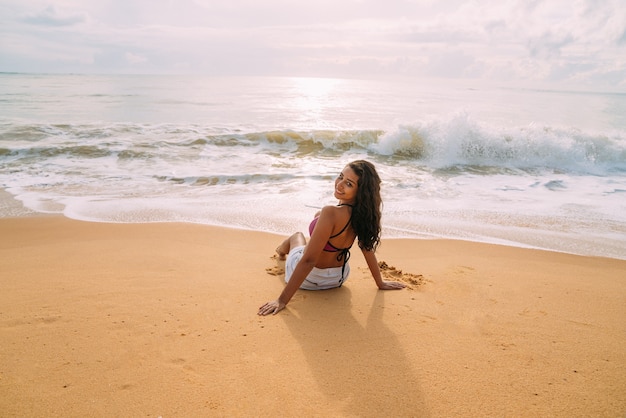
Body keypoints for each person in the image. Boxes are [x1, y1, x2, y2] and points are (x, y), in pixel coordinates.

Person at [258, 160, 406, 316]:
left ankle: (281, 252)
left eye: (348, 184)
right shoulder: (362, 216)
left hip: (310, 279)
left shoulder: (330, 212)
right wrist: (380, 283)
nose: (339, 184)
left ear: (360, 191)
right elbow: (367, 250)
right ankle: (287, 251)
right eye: (340, 177)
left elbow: (309, 261)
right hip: (337, 278)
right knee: (318, 218)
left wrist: (281, 300)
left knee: (297, 236)